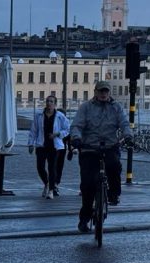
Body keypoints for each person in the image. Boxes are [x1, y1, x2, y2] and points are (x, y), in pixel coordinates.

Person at [70, 80, 132, 234]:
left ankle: (114, 194)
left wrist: (128, 135)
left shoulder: (116, 107)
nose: (103, 94)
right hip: (89, 147)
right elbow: (77, 125)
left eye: (106, 91)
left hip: (109, 145)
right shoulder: (86, 107)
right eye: (101, 91)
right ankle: (84, 218)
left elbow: (124, 123)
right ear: (95, 92)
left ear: (109, 92)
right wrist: (76, 138)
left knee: (115, 166)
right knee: (87, 185)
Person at [27, 96, 70, 198]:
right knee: (40, 167)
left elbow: (68, 129)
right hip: (41, 145)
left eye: (51, 101)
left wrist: (57, 134)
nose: (49, 103)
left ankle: (51, 190)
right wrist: (30, 144)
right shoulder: (39, 116)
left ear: (55, 104)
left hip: (54, 146)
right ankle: (46, 183)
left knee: (52, 168)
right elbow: (33, 131)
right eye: (47, 101)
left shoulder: (60, 116)